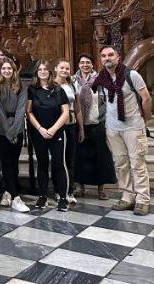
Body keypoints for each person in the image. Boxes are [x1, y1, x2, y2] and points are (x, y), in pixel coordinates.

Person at [93, 46, 152, 216]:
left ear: (118, 57)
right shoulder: (102, 78)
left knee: (137, 164)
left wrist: (145, 119)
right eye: (103, 56)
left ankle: (142, 199)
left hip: (133, 127)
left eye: (110, 55)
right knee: (120, 164)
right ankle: (127, 196)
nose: (107, 58)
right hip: (113, 129)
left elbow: (146, 98)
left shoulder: (131, 75)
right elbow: (104, 101)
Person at [26, 60, 70, 212]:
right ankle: (42, 196)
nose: (43, 72)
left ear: (50, 72)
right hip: (39, 133)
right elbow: (29, 111)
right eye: (40, 69)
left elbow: (65, 112)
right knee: (42, 164)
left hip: (56, 132)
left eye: (45, 69)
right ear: (36, 73)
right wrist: (40, 128)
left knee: (59, 164)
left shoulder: (58, 89)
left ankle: (63, 198)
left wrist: (52, 129)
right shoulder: (32, 89)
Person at [73, 53, 116, 200]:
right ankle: (80, 187)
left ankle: (101, 189)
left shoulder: (101, 80)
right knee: (80, 156)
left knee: (101, 157)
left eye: (88, 63)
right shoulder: (73, 80)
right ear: (78, 65)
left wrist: (100, 115)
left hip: (98, 123)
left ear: (92, 65)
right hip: (79, 124)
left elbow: (108, 101)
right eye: (82, 62)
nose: (85, 65)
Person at [0, 57, 29, 212]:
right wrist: (7, 131)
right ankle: (16, 197)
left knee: (13, 162)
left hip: (17, 128)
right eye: (3, 69)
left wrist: (14, 130)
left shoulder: (21, 86)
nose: (6, 71)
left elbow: (21, 110)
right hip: (0, 129)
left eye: (9, 69)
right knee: (5, 162)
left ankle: (7, 192)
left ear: (14, 70)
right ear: (0, 71)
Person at [54, 59, 83, 204]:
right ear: (56, 69)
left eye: (67, 68)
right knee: (58, 159)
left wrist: (81, 128)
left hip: (71, 124)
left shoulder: (72, 85)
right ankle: (58, 190)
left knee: (70, 159)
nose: (64, 71)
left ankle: (69, 190)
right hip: (55, 124)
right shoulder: (51, 85)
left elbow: (77, 108)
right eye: (62, 68)